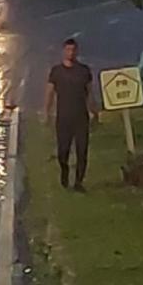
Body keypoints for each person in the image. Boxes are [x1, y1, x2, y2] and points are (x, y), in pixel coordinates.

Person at [45, 38, 99, 191]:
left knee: (82, 151)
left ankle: (78, 182)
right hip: (63, 118)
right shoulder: (56, 71)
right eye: (68, 50)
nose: (71, 53)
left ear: (77, 51)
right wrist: (47, 112)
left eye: (73, 50)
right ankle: (64, 171)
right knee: (63, 151)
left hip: (81, 117)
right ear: (64, 51)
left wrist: (95, 112)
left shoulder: (83, 71)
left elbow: (90, 93)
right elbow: (49, 93)